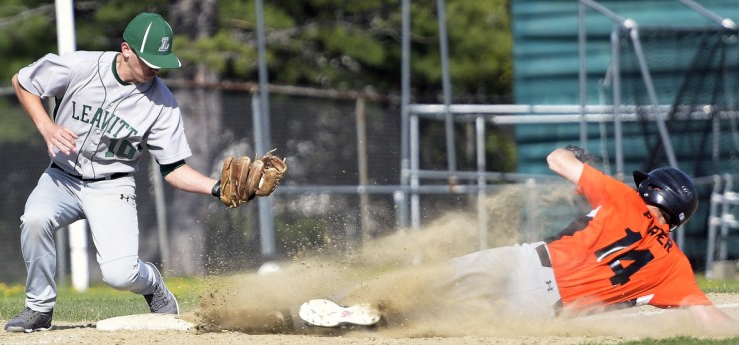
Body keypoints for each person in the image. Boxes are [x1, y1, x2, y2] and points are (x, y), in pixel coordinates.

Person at [298, 145, 736, 330]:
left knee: (428, 282)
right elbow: (712, 322)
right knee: (439, 316)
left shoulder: (623, 198)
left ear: (649, 191)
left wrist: (575, 157)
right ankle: (371, 323)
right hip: (543, 312)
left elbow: (555, 158)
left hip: (528, 264)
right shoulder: (675, 267)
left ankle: (337, 306)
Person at [5, 12, 229, 332]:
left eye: (161, 61)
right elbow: (22, 80)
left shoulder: (162, 103)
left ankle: (152, 285)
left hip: (113, 185)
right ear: (126, 50)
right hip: (62, 177)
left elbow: (174, 168)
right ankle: (38, 308)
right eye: (148, 60)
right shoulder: (81, 66)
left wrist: (217, 188)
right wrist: (46, 126)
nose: (155, 68)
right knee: (35, 220)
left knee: (120, 275)